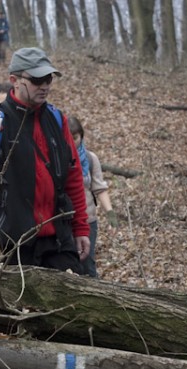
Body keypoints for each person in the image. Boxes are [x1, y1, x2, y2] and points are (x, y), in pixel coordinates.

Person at [0, 47, 90, 369]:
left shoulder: (57, 120)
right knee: (16, 314)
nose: (45, 85)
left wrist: (81, 227)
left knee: (63, 310)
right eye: (37, 79)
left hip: (58, 233)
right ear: (16, 80)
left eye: (48, 78)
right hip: (12, 238)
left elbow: (73, 178)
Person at [68, 116, 117, 278]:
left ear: (81, 136)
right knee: (67, 263)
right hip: (63, 221)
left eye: (75, 137)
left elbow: (99, 188)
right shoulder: (56, 159)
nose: (72, 141)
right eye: (68, 137)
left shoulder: (90, 159)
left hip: (88, 220)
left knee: (87, 262)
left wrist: (111, 215)